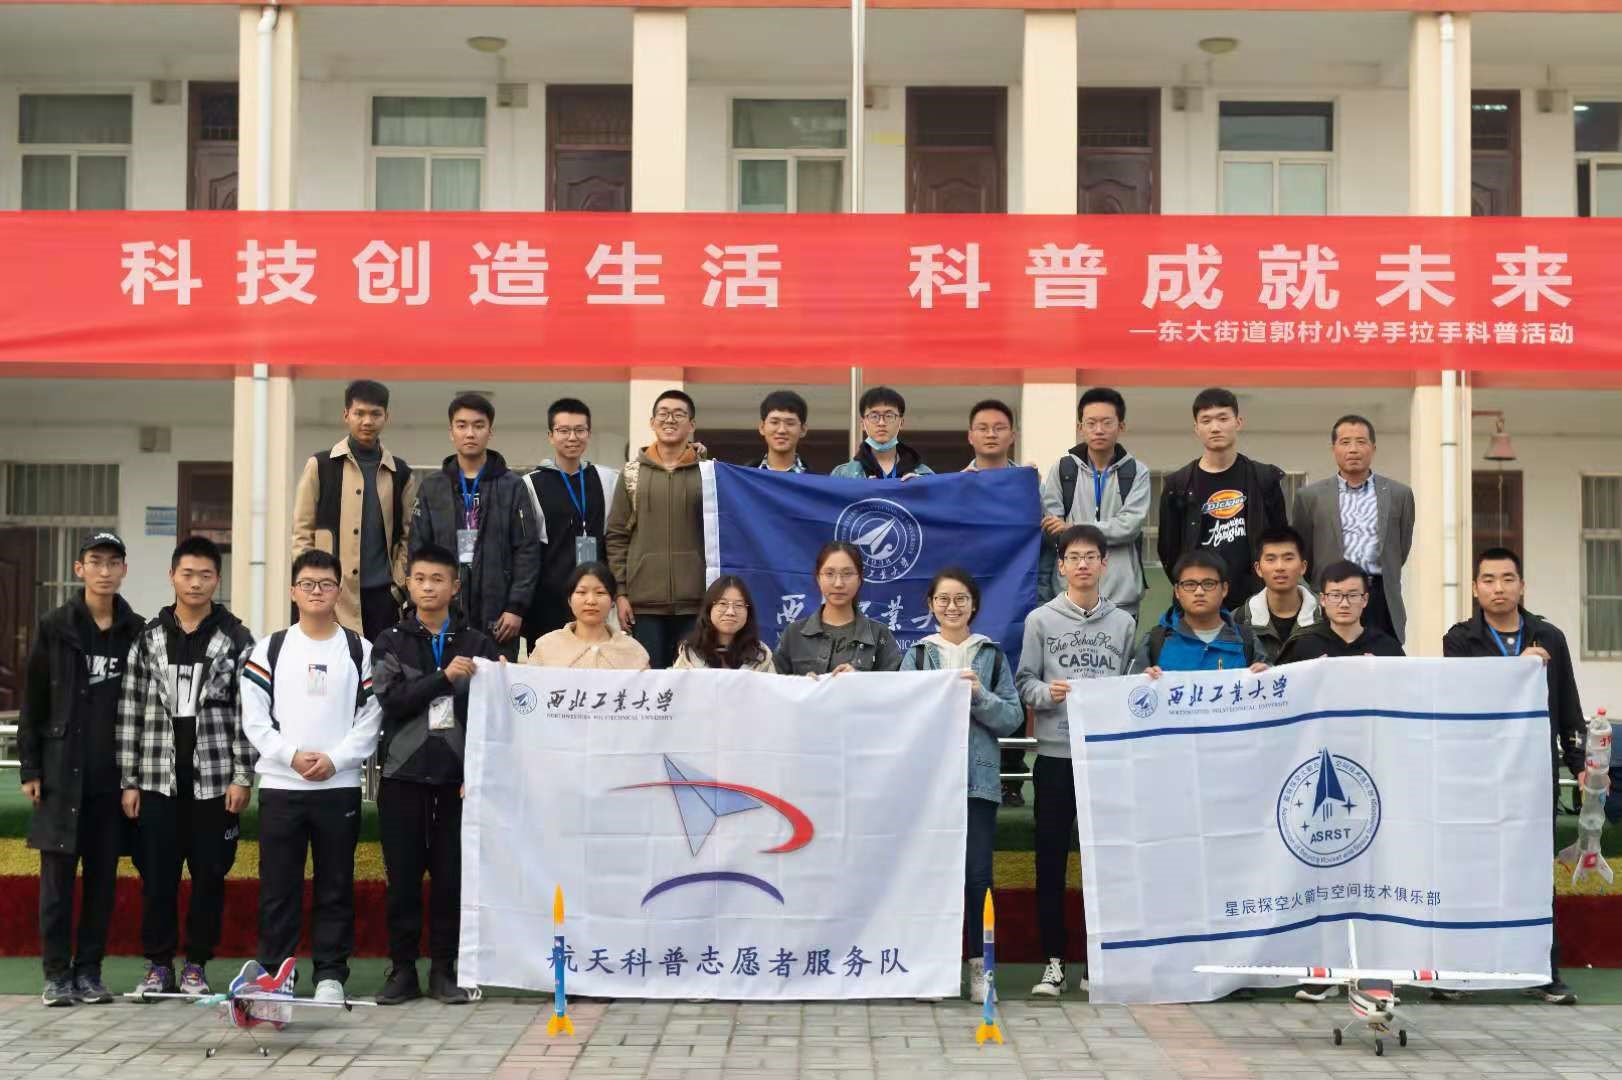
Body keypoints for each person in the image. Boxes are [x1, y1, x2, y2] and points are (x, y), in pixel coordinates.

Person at [1442, 546, 1582, 1006]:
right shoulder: (1460, 639)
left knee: (1533, 872)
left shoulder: (1550, 637)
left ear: (1522, 586)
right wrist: (1518, 667)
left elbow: (1568, 705)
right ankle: (1459, 971)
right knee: (1469, 868)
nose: (1498, 588)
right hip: (1476, 774)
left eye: (1507, 579)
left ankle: (1542, 971)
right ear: (1475, 588)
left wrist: (1581, 766)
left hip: (1534, 774)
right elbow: (1464, 697)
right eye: (1488, 580)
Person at [240, 550, 382, 1004]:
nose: (317, 591)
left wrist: (337, 760)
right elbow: (254, 719)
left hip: (338, 787)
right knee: (278, 888)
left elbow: (371, 718)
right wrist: (291, 756)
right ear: (293, 591)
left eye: (326, 584)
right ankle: (275, 974)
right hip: (282, 787)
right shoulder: (270, 648)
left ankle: (330, 975)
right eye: (307, 584)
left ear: (339, 591)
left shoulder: (360, 650)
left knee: (335, 884)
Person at [118, 536, 254, 999]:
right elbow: (130, 710)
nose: (196, 583)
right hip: (157, 779)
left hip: (213, 782)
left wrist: (242, 775)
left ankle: (196, 964)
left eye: (205, 575)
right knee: (157, 877)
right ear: (172, 576)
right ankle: (159, 965)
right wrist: (129, 780)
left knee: (209, 876)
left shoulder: (236, 639)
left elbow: (247, 713)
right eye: (187, 574)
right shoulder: (149, 637)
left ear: (218, 580)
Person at [371, 544, 501, 1007]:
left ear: (455, 586)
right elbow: (392, 700)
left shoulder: (478, 643)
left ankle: (445, 970)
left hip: (458, 780)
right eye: (420, 579)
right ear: (408, 583)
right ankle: (403, 970)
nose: (428, 587)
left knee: (451, 880)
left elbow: (494, 711)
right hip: (403, 777)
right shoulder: (390, 640)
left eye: (438, 579)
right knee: (403, 880)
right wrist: (444, 678)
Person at [20, 531, 143, 1007]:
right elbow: (34, 701)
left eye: (113, 562)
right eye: (96, 562)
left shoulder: (136, 630)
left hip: (112, 780)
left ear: (124, 570)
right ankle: (56, 975)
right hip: (60, 776)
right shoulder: (55, 626)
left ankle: (89, 972)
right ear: (80, 569)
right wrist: (31, 768)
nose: (104, 571)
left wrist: (134, 779)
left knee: (101, 884)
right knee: (56, 886)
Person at [1014, 524, 1137, 999]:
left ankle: (1096, 963)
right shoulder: (1040, 620)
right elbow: (1024, 682)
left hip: (1103, 760)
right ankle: (1054, 963)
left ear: (1106, 564)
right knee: (1050, 863)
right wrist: (1049, 693)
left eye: (1091, 557)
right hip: (1054, 757)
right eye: (1073, 557)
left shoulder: (1124, 624)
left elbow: (1129, 688)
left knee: (1102, 865)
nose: (1082, 564)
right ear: (1061, 566)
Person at [900, 568, 1023, 1004]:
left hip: (977, 782)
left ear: (974, 605)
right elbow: (901, 715)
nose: (952, 607)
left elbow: (1012, 717)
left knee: (978, 876)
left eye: (961, 599)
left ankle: (980, 967)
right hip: (930, 785)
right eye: (943, 599)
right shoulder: (918, 655)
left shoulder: (990, 654)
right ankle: (932, 967)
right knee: (931, 874)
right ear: (930, 605)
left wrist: (980, 696)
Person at [409, 392, 540, 661]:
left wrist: (516, 607)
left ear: (490, 431)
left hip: (499, 615)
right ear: (451, 432)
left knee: (494, 684)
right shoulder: (432, 487)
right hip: (441, 611)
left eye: (478, 425)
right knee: (442, 683)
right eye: (462, 425)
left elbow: (527, 551)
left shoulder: (512, 486)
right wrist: (421, 602)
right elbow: (418, 550)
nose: (470, 433)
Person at [291, 379, 415, 640]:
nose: (367, 421)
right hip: (329, 596)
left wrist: (398, 586)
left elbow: (408, 535)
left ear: (386, 417)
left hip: (382, 599)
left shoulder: (400, 473)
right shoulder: (320, 465)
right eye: (359, 413)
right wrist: (310, 584)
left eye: (375, 414)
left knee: (379, 664)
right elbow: (302, 532)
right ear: (346, 414)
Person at [1157, 388, 1288, 609]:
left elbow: (1280, 541)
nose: (1215, 427)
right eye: (1206, 420)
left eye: (1223, 418)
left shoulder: (1263, 478)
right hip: (1199, 605)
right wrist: (1193, 588)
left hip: (1255, 604)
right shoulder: (1178, 485)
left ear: (1238, 422)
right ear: (1196, 428)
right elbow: (1169, 552)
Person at [605, 389, 707, 669]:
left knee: (690, 679)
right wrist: (620, 593)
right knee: (648, 680)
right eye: (663, 413)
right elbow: (617, 536)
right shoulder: (632, 473)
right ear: (652, 422)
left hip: (695, 604)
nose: (670, 419)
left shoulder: (707, 474)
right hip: (642, 604)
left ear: (691, 425)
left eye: (679, 414)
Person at [1292, 415, 1415, 644]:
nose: (1353, 449)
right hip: (1331, 595)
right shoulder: (1309, 497)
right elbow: (1304, 552)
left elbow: (1401, 548)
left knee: (1381, 658)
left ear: (1373, 448)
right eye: (1345, 442)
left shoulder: (1399, 494)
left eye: (1361, 442)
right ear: (1333, 448)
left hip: (1379, 597)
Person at [1040, 387, 1151, 617]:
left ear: (1121, 426)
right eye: (1091, 423)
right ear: (1080, 427)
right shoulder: (1062, 470)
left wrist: (1073, 528)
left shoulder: (1136, 472)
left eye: (1107, 423)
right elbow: (1052, 528)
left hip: (1121, 597)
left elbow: (1129, 526)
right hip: (1070, 595)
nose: (1099, 430)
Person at [521, 398, 619, 650]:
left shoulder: (607, 479)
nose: (572, 437)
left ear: (589, 433)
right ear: (550, 436)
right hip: (548, 600)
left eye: (579, 430)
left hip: (596, 599)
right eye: (563, 430)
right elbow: (527, 549)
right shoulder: (531, 484)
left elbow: (616, 540)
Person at [773, 542, 903, 675]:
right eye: (829, 574)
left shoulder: (879, 634)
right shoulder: (794, 634)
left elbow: (896, 684)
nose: (838, 583)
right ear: (818, 578)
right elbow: (774, 683)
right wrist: (802, 683)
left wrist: (860, 679)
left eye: (847, 574)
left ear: (859, 579)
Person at [1133, 552, 1267, 675]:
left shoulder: (1247, 640)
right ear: (1177, 591)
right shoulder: (1156, 641)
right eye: (1190, 584)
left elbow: (1270, 687)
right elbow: (1132, 689)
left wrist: (1266, 675)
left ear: (1224, 589)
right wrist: (1143, 680)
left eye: (1208, 584)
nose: (1199, 592)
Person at [1277, 561, 1404, 664]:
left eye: (1353, 595)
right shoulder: (1304, 647)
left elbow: (1406, 685)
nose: (1344, 604)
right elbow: (1282, 684)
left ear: (1365, 600)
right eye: (1335, 595)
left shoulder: (1387, 649)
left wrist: (1382, 672)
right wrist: (1312, 673)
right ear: (1323, 599)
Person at [530, 563, 651, 670]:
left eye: (600, 593)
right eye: (581, 592)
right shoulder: (546, 647)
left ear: (612, 601)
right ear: (569, 600)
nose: (591, 601)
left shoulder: (633, 651)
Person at [1232, 526, 1320, 665]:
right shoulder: (1238, 620)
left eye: (1288, 558)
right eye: (1271, 559)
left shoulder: (1325, 616)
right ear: (1258, 569)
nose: (1279, 567)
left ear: (1303, 567)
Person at [672, 576, 775, 671]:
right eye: (722, 603)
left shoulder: (760, 657)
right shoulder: (689, 654)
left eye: (739, 605)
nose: (730, 612)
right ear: (709, 609)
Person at [831, 386, 934, 480]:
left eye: (889, 416)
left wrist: (921, 489)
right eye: (874, 416)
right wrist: (860, 490)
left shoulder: (924, 475)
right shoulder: (843, 475)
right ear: (862, 424)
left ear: (901, 423)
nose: (881, 423)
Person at [756, 390, 809, 472]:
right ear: (762, 428)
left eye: (790, 423)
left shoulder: (818, 479)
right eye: (774, 422)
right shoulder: (743, 477)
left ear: (803, 430)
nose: (782, 430)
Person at [963, 399, 1017, 472]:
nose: (991, 434)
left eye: (999, 428)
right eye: (982, 428)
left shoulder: (1028, 477)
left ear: (1012, 436)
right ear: (970, 437)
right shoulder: (958, 479)